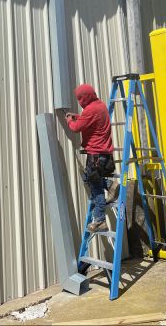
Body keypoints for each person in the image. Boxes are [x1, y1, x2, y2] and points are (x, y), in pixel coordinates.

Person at [66, 83, 119, 232]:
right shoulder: (100, 106)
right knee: (90, 179)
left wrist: (69, 120)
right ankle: (111, 185)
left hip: (95, 155)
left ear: (85, 97)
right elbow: (88, 119)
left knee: (96, 188)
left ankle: (100, 221)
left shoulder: (90, 110)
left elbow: (76, 128)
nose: (79, 101)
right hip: (104, 155)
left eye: (79, 98)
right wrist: (77, 116)